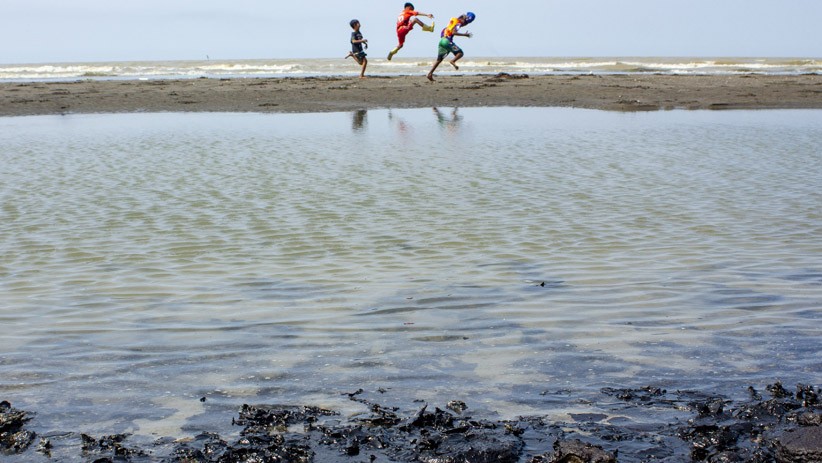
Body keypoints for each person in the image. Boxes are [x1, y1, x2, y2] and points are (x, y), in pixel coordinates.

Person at [427, 12, 475, 81]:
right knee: (460, 53)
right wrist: (465, 35)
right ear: (464, 20)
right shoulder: (459, 23)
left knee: (439, 59)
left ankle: (429, 74)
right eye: (466, 23)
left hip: (442, 41)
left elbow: (443, 31)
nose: (465, 25)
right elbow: (453, 32)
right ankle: (453, 61)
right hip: (447, 41)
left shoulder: (452, 21)